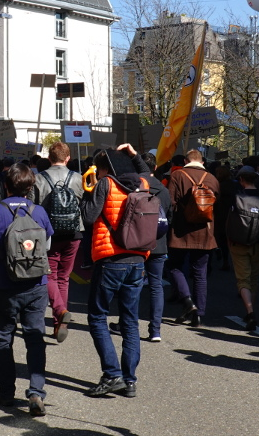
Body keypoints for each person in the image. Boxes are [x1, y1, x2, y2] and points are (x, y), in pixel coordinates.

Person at [0, 163, 53, 417]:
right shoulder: (39, 212)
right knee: (35, 339)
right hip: (36, 286)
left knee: (3, 338)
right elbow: (46, 247)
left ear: (6, 185)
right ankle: (36, 392)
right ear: (30, 187)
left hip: (5, 285)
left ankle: (6, 392)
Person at [80, 144, 152, 398]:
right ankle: (130, 380)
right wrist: (133, 155)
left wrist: (87, 191)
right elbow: (149, 174)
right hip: (138, 258)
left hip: (111, 258)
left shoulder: (105, 184)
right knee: (130, 321)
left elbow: (89, 218)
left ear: (102, 168)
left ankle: (112, 374)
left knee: (98, 317)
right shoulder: (142, 183)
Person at [31, 141, 85, 343]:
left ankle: (60, 311)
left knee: (49, 275)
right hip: (74, 232)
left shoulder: (39, 178)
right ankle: (58, 323)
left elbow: (33, 207)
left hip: (50, 233)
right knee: (64, 277)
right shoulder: (78, 178)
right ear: (68, 158)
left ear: (49, 158)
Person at [166, 149, 220, 327]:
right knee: (200, 273)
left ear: (184, 160)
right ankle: (200, 313)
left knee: (174, 267)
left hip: (181, 230)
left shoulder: (178, 175)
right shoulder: (212, 178)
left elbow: (170, 202)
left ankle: (188, 302)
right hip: (204, 230)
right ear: (202, 161)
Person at [226, 165, 259, 331]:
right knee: (253, 278)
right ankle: (252, 309)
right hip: (257, 243)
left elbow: (229, 220)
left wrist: (228, 238)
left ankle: (250, 312)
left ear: (242, 179)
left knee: (242, 278)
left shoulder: (237, 196)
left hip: (238, 242)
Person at [140, 151, 171, 342]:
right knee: (156, 285)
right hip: (158, 242)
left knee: (132, 285)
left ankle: (127, 323)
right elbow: (169, 215)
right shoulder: (164, 190)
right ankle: (156, 329)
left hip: (135, 242)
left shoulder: (133, 186)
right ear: (155, 168)